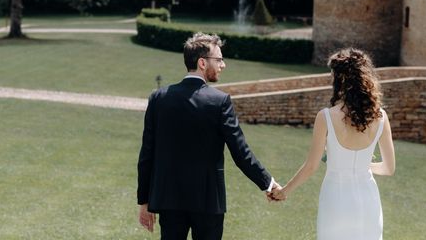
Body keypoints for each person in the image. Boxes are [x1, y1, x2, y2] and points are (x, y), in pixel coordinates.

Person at [137, 32, 281, 239]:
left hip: (169, 200)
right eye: (219, 59)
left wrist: (144, 200)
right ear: (202, 63)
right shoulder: (219, 101)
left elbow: (146, 155)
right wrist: (267, 183)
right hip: (207, 201)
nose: (223, 65)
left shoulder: (159, 98)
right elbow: (241, 152)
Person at [272, 47, 395, 240]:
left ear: (340, 79)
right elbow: (389, 169)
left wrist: (284, 191)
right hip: (368, 201)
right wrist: (362, 165)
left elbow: (311, 166)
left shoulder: (326, 117)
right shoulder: (381, 117)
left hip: (336, 199)